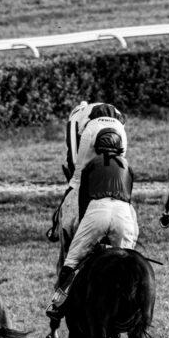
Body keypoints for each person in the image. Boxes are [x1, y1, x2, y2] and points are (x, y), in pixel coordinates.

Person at [45, 130, 138, 338]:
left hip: (98, 209)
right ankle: (123, 324)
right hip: (124, 213)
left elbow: (84, 201)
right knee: (125, 268)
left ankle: (57, 306)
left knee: (72, 260)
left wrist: (90, 232)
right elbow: (129, 195)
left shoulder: (91, 164)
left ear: (97, 147)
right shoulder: (127, 166)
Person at [56, 103, 127, 272]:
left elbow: (119, 167)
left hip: (103, 128)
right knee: (88, 174)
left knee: (84, 176)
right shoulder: (83, 123)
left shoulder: (75, 121)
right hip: (104, 129)